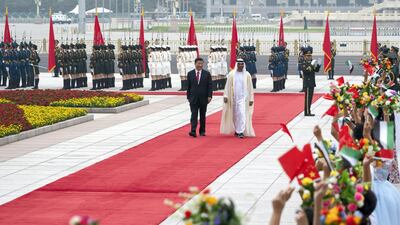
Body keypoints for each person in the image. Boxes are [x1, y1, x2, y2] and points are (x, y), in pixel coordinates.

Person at [220, 58, 255, 138]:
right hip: (234, 98)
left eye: (242, 64)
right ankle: (237, 130)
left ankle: (240, 131)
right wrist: (226, 95)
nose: (240, 65)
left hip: (244, 98)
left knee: (242, 113)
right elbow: (227, 86)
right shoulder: (232, 74)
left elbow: (250, 88)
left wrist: (251, 99)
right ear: (237, 65)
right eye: (239, 64)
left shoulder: (247, 75)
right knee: (235, 115)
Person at [187, 58, 213, 138]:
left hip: (203, 98)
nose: (200, 65)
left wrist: (209, 96)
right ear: (195, 64)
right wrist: (188, 97)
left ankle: (202, 131)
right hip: (193, 98)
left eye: (201, 63)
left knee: (202, 115)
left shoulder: (207, 74)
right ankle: (193, 130)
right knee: (194, 114)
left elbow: (210, 86)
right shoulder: (190, 73)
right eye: (198, 63)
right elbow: (188, 86)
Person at [301, 47, 320, 117]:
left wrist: (318, 65)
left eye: (310, 55)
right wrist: (311, 65)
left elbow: (316, 70)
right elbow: (306, 71)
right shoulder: (304, 63)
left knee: (310, 98)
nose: (309, 57)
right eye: (308, 56)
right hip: (307, 83)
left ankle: (309, 110)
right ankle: (307, 112)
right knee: (307, 99)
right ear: (305, 56)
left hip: (312, 82)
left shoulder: (312, 62)